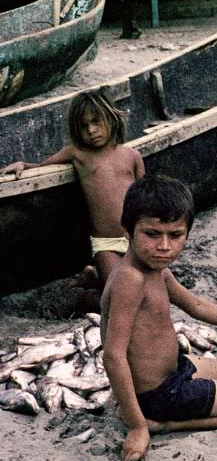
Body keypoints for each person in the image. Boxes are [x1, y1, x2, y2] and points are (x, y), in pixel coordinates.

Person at [101, 174, 217, 461]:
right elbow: (112, 355)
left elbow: (196, 305)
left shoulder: (156, 270)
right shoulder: (130, 279)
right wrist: (136, 427)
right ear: (127, 231)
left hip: (175, 371)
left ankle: (146, 415)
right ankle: (158, 425)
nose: (164, 246)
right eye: (152, 234)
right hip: (159, 394)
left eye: (175, 236)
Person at [1, 90, 145, 308]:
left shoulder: (131, 156)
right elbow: (42, 168)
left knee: (145, 290)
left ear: (111, 117)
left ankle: (93, 277)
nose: (92, 130)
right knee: (118, 299)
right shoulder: (77, 154)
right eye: (84, 126)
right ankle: (86, 291)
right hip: (105, 243)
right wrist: (23, 164)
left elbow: (146, 198)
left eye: (96, 122)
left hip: (135, 239)